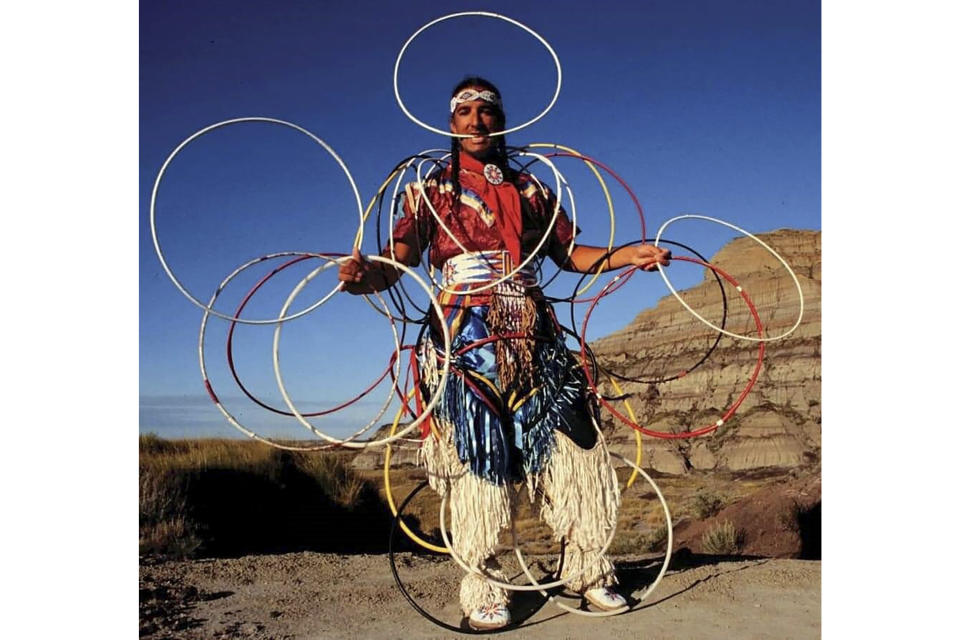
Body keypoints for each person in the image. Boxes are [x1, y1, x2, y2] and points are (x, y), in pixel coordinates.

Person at [339, 76, 670, 630]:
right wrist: (364, 275)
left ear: (502, 119)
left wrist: (627, 254)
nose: (476, 120)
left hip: (532, 332)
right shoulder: (428, 190)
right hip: (462, 338)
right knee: (479, 458)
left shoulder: (533, 189)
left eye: (486, 110)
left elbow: (568, 254)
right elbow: (399, 257)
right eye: (464, 111)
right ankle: (483, 583)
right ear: (449, 124)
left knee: (574, 447)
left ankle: (588, 571)